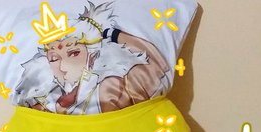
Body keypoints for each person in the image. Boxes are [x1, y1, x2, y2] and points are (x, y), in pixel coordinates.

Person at [18, 1, 170, 114]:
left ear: (92, 55)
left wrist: (111, 34)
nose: (63, 67)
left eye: (74, 53)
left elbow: (158, 64)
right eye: (54, 59)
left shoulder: (109, 88)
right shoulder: (46, 98)